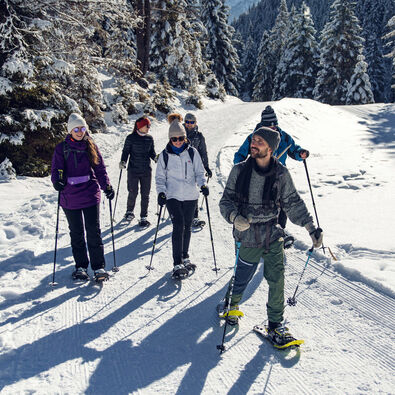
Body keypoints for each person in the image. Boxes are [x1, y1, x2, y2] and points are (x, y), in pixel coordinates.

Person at [219, 126, 323, 346]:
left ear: (271, 148)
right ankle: (231, 304)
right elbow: (225, 201)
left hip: (273, 233)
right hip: (247, 235)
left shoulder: (281, 174)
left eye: (258, 141)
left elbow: (293, 203)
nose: (253, 144)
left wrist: (311, 228)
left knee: (277, 279)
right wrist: (233, 216)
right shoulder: (239, 171)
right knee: (243, 276)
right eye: (252, 140)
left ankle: (275, 324)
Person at [233, 105, 310, 248]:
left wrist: (301, 154)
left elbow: (294, 150)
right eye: (269, 127)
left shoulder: (284, 137)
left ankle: (278, 235)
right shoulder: (254, 138)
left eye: (275, 125)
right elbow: (240, 155)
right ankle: (259, 237)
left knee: (283, 206)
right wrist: (242, 168)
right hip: (259, 178)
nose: (273, 129)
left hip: (278, 178)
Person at [51, 113, 115, 281]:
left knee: (93, 231)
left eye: (82, 128)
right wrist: (57, 181)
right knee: (77, 233)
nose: (80, 132)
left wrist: (106, 186)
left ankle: (99, 267)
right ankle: (81, 266)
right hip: (70, 197)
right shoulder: (61, 148)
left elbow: (100, 169)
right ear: (70, 130)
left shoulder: (90, 145)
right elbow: (56, 169)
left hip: (90, 193)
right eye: (76, 129)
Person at [155, 113, 209, 278]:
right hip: (172, 195)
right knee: (178, 226)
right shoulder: (164, 155)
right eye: (174, 139)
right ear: (170, 139)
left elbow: (200, 172)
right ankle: (177, 263)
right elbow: (159, 178)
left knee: (187, 227)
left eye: (180, 138)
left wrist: (203, 184)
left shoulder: (192, 153)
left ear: (185, 138)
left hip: (191, 195)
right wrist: (161, 193)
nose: (177, 141)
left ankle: (185, 256)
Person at [119, 116, 156, 227]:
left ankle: (143, 216)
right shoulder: (130, 138)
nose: (149, 127)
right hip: (133, 170)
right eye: (147, 125)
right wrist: (123, 161)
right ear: (140, 126)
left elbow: (152, 152)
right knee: (133, 192)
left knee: (145, 194)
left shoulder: (149, 138)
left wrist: (156, 158)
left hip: (146, 171)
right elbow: (126, 151)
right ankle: (129, 212)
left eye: (149, 125)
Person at [183, 113, 212, 228]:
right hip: (180, 167)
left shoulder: (199, 136)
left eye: (192, 122)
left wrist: (206, 167)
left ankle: (194, 217)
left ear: (195, 123)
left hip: (194, 167)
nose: (189, 124)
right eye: (187, 122)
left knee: (193, 191)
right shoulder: (179, 134)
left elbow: (203, 152)